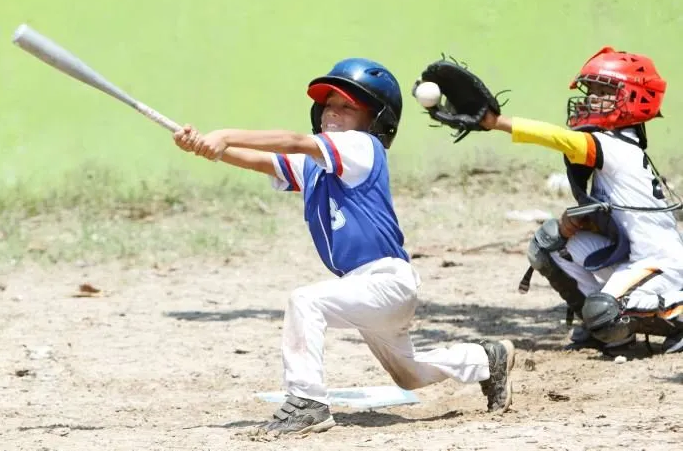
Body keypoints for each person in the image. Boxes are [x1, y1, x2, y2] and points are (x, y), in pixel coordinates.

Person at [172, 57, 515, 434]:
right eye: (329, 105)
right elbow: (265, 161)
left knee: (306, 300)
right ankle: (486, 359)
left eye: (347, 107)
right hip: (363, 286)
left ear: (375, 119)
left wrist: (225, 134)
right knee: (410, 375)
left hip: (386, 281)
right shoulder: (316, 164)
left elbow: (292, 141)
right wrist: (209, 148)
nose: (332, 113)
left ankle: (307, 403)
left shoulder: (362, 147)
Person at [478, 47, 683, 353]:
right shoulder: (615, 144)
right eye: (593, 91)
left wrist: (498, 122)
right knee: (551, 245)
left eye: (606, 92)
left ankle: (676, 314)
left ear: (635, 98)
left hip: (661, 266)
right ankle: (603, 331)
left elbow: (558, 138)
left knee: (605, 310)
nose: (592, 99)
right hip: (631, 258)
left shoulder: (613, 146)